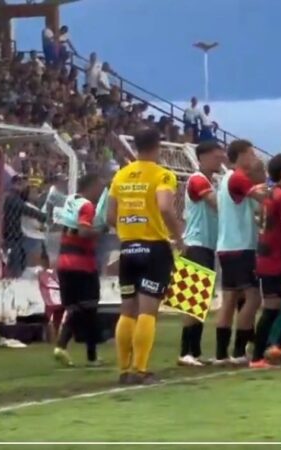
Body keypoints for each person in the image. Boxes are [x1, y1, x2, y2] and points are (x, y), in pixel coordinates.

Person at [108, 127, 183, 385]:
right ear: (157, 146)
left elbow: (109, 216)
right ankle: (140, 369)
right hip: (154, 248)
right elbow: (165, 207)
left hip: (128, 247)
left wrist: (128, 230)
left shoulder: (121, 175)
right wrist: (178, 237)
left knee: (127, 310)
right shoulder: (163, 175)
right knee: (148, 312)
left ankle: (123, 369)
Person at [214, 140, 268, 365]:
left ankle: (221, 353)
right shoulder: (237, 178)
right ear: (242, 155)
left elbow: (255, 208)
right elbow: (263, 198)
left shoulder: (228, 179)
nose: (254, 158)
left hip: (228, 246)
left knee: (229, 299)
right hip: (240, 247)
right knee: (253, 298)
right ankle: (238, 351)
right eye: (251, 154)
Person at [177, 141, 224, 367]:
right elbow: (217, 205)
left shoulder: (210, 182)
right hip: (196, 243)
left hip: (205, 245)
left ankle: (193, 351)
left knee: (200, 301)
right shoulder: (197, 180)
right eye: (216, 157)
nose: (220, 161)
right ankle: (186, 351)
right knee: (193, 300)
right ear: (202, 157)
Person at [250, 153, 281, 369]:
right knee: (272, 308)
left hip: (273, 257)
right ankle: (257, 357)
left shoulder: (272, 194)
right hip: (275, 260)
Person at [52, 174, 106, 367]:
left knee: (75, 308)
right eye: (99, 187)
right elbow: (83, 231)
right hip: (82, 263)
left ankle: (65, 348)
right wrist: (101, 230)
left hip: (64, 262)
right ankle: (87, 355)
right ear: (91, 186)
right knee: (89, 308)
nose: (101, 192)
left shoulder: (71, 200)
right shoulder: (87, 206)